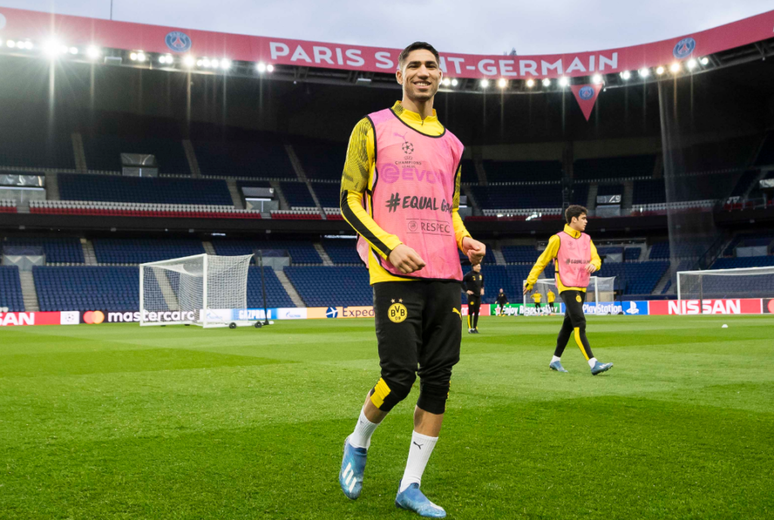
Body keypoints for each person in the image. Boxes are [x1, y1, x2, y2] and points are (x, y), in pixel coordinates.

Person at [338, 41, 486, 518]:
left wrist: (464, 238)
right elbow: (349, 200)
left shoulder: (453, 144)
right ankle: (357, 441)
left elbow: (450, 207)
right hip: (394, 269)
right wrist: (388, 245)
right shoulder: (371, 127)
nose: (424, 72)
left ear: (441, 76)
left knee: (438, 380)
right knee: (398, 377)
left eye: (431, 66)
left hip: (446, 272)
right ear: (399, 74)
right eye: (415, 65)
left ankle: (411, 486)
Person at [523, 205, 613, 375]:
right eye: (583, 218)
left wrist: (595, 264)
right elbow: (542, 260)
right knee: (580, 322)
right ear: (574, 219)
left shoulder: (587, 239)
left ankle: (555, 360)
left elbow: (596, 258)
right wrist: (530, 280)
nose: (586, 221)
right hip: (567, 285)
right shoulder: (558, 239)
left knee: (568, 325)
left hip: (582, 285)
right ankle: (593, 363)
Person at [462, 264, 484, 333]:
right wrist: (466, 290)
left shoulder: (481, 275)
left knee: (477, 312)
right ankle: (470, 328)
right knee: (471, 311)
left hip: (478, 296)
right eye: (478, 266)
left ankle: (475, 327)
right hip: (472, 296)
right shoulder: (469, 275)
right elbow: (461, 281)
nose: (480, 268)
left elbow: (482, 283)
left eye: (480, 266)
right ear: (474, 267)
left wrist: (482, 289)